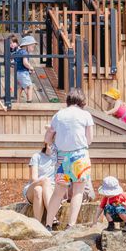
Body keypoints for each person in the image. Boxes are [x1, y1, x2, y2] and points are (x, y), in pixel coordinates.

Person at [44, 87, 94, 232]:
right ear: (82, 101)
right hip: (80, 157)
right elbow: (89, 140)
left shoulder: (58, 115)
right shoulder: (86, 115)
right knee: (78, 191)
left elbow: (48, 138)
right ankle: (70, 225)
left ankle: (48, 224)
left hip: (62, 158)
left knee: (58, 192)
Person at [23, 140, 57, 222]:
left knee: (38, 190)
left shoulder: (58, 158)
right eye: (50, 142)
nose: (52, 145)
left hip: (50, 189)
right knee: (44, 181)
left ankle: (37, 224)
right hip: (34, 186)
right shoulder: (37, 156)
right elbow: (34, 178)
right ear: (46, 143)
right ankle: (52, 215)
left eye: (55, 143)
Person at [14, 35, 36, 103]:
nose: (33, 49)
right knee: (30, 86)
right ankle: (29, 101)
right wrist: (31, 68)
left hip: (17, 72)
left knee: (20, 87)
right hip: (23, 73)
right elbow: (25, 63)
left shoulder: (18, 51)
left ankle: (17, 101)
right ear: (27, 46)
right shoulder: (25, 52)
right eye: (32, 47)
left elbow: (18, 62)